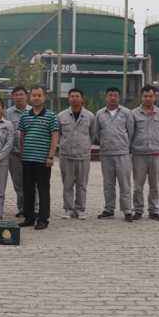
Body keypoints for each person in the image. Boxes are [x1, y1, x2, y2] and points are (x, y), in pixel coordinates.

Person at [18, 85, 60, 231]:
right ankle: (29, 217)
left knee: (43, 190)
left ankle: (43, 219)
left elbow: (55, 136)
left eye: (39, 95)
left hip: (43, 160)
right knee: (28, 190)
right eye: (34, 95)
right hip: (27, 159)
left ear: (44, 98)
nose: (36, 98)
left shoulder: (50, 116)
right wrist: (22, 153)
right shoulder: (25, 115)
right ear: (30, 97)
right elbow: (22, 135)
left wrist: (51, 156)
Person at [57, 88, 98, 220]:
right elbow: (58, 134)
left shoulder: (90, 116)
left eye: (77, 96)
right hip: (66, 156)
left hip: (83, 156)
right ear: (69, 99)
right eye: (72, 96)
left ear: (82, 99)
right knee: (67, 184)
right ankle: (68, 209)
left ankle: (80, 209)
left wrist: (85, 145)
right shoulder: (61, 116)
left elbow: (93, 134)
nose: (75, 99)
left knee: (82, 185)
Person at [96, 86, 135, 221]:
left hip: (122, 153)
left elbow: (130, 131)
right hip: (106, 154)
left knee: (125, 183)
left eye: (115, 95)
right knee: (108, 184)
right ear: (106, 97)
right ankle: (109, 209)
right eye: (110, 95)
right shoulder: (100, 114)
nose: (112, 98)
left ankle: (127, 210)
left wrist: (124, 144)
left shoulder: (127, 113)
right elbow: (97, 133)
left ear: (119, 97)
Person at [131, 85, 159, 221]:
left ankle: (154, 210)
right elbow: (131, 132)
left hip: (155, 154)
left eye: (150, 96)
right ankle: (138, 210)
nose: (148, 99)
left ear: (155, 97)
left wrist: (157, 144)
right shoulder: (133, 113)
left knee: (155, 185)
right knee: (138, 186)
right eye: (145, 96)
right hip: (139, 154)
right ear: (141, 97)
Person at [5, 86, 36, 219]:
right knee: (18, 184)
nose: (19, 97)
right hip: (14, 154)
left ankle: (34, 208)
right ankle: (22, 208)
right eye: (16, 95)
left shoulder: (33, 111)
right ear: (13, 97)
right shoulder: (7, 113)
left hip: (31, 154)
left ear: (26, 96)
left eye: (21, 94)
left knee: (33, 183)